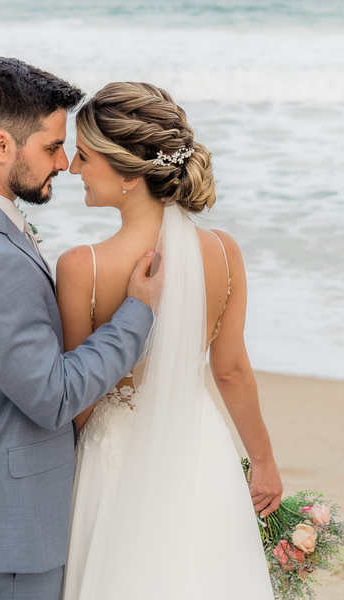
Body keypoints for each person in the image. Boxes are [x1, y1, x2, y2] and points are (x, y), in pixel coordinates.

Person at [0, 58, 158, 600]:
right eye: (52, 147)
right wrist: (137, 312)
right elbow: (53, 396)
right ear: (1, 145)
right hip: (8, 526)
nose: (65, 163)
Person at [58, 81, 282, 599]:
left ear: (129, 175)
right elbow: (230, 371)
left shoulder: (82, 267)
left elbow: (80, 400)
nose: (71, 168)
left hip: (113, 460)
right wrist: (264, 462)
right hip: (200, 451)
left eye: (84, 156)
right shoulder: (223, 251)